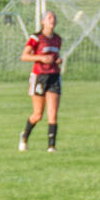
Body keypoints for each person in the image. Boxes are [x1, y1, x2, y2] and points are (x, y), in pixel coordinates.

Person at [19, 11, 62, 153]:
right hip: (39, 77)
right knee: (38, 114)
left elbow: (56, 56)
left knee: (53, 113)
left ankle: (51, 146)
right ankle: (24, 136)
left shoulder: (57, 39)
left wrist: (58, 60)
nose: (52, 20)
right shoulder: (36, 38)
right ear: (43, 21)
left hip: (54, 76)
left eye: (54, 17)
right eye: (49, 17)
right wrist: (41, 58)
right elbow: (24, 56)